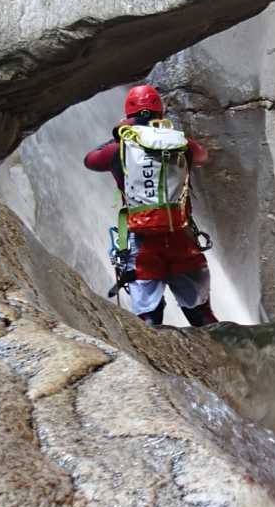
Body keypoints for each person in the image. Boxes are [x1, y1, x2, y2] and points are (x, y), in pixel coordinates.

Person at [84, 84, 219, 326]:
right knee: (202, 315)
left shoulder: (120, 148)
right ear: (161, 113)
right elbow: (202, 156)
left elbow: (90, 160)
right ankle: (232, 358)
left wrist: (119, 132)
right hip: (182, 238)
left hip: (142, 244)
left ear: (128, 113)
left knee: (149, 321)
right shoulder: (179, 144)